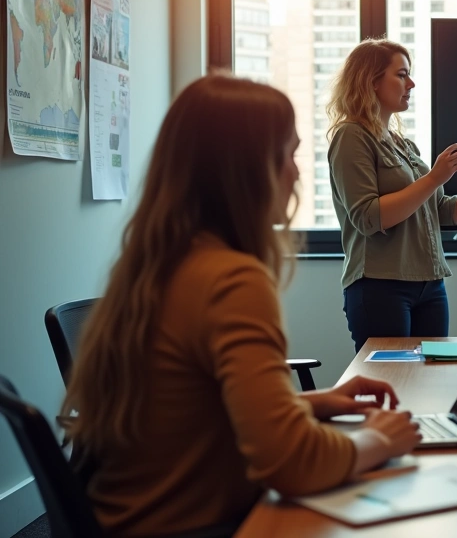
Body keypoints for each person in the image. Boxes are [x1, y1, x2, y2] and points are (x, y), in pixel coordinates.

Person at [60, 75, 423, 536]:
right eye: (288, 155)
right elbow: (292, 463)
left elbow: (195, 414)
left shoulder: (157, 264)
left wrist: (312, 403)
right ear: (247, 170)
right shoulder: (231, 280)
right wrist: (379, 440)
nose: (296, 174)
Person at [327, 39, 457, 351]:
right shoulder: (351, 136)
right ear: (371, 80)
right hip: (380, 286)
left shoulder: (403, 144)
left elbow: (443, 210)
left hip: (430, 285)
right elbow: (369, 218)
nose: (411, 84)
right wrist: (434, 177)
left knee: (433, 375)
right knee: (393, 380)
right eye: (401, 75)